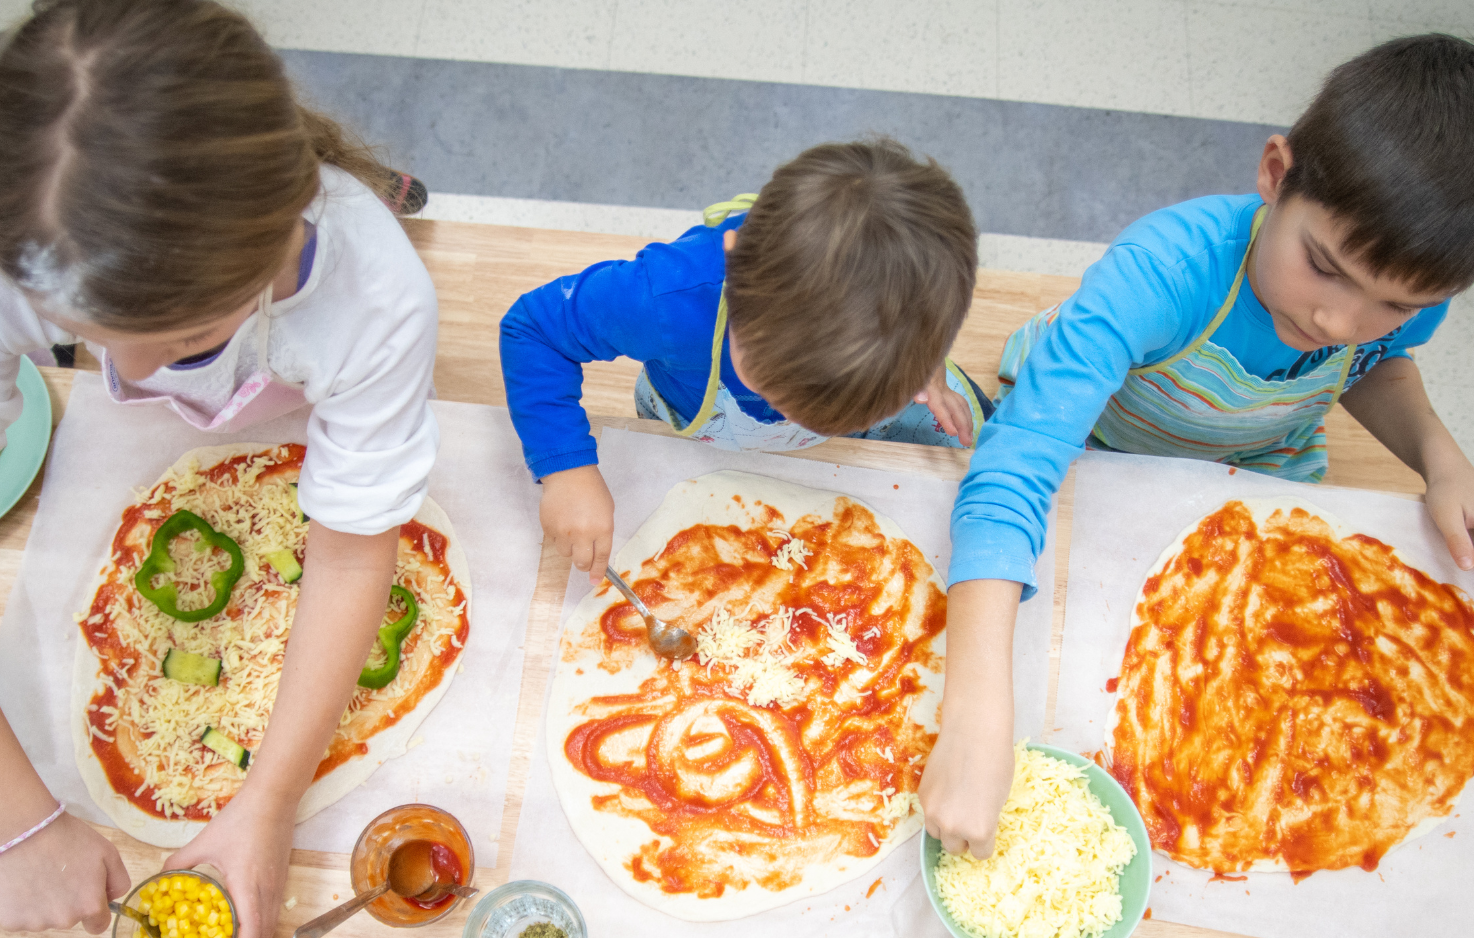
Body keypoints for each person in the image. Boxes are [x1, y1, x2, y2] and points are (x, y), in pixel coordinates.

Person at [0, 0, 438, 938]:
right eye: (81, 337)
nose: (126, 369)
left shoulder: (373, 291)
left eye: (186, 344)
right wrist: (17, 822)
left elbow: (348, 554)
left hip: (304, 412)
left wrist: (267, 801)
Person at [923, 34, 1474, 859]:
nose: (1337, 323)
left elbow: (1374, 366)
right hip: (1096, 443)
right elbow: (1017, 467)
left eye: (1391, 304)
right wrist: (975, 714)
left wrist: (1439, 457)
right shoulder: (1163, 274)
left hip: (1250, 468)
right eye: (1322, 267)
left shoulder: (1396, 303)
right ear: (1276, 173)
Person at [499, 139, 986, 580]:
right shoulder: (663, 300)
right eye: (772, 387)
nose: (791, 413)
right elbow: (533, 329)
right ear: (734, 263)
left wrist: (928, 369)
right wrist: (566, 470)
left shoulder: (911, 299)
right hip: (701, 412)